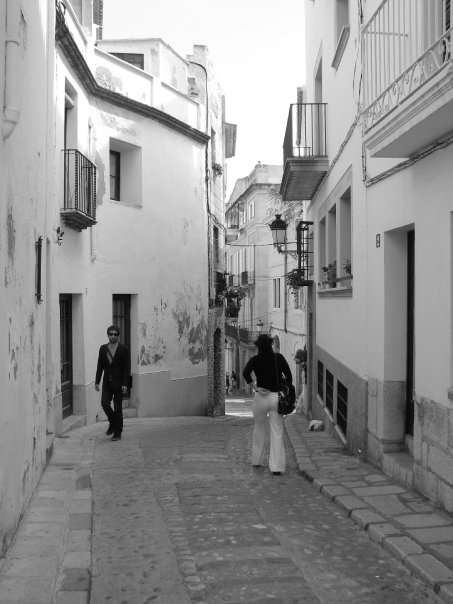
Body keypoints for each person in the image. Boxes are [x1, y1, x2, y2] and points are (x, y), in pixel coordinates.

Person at [242, 334, 292, 475]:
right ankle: (276, 467)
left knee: (259, 428)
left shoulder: (255, 360)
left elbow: (245, 373)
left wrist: (255, 387)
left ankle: (257, 460)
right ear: (271, 345)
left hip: (260, 397)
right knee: (277, 431)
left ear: (258, 346)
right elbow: (289, 377)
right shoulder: (279, 358)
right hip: (276, 397)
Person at [95, 325, 130, 441]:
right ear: (108, 335)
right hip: (107, 383)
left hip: (119, 383)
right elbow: (100, 366)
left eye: (115, 334)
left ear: (118, 335)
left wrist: (125, 384)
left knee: (118, 408)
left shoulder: (124, 350)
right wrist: (97, 381)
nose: (113, 336)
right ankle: (113, 422)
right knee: (105, 403)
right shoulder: (103, 349)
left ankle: (117, 432)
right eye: (111, 334)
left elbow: (126, 368)